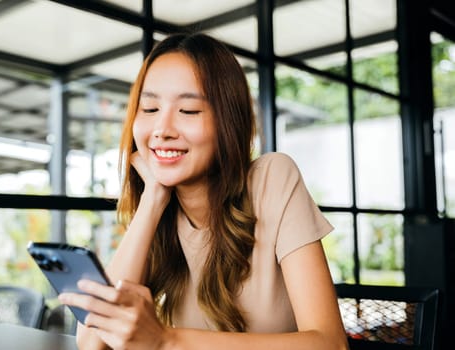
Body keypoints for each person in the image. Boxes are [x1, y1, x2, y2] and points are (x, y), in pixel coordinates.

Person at [59, 32, 349, 350]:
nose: (162, 130)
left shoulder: (273, 178)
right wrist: (152, 200)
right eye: (150, 109)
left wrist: (165, 340)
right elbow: (90, 343)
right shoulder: (162, 213)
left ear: (229, 121)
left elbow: (331, 344)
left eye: (189, 111)